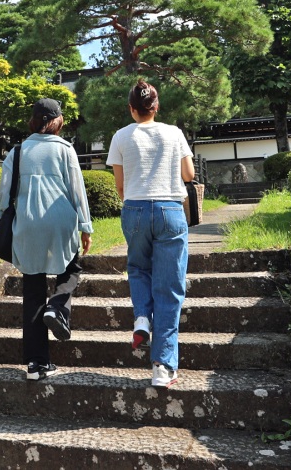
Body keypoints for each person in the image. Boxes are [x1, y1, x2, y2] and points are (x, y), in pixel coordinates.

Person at [0, 98, 93, 381]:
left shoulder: (18, 151)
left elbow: (4, 194)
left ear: (35, 121)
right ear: (56, 121)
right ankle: (58, 307)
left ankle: (37, 364)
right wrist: (85, 226)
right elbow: (77, 189)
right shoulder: (65, 149)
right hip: (60, 219)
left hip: (27, 223)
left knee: (33, 286)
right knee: (71, 268)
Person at [106, 80, 195, 388]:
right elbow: (189, 175)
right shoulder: (174, 133)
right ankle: (163, 366)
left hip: (134, 210)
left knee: (138, 269)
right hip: (170, 209)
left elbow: (119, 185)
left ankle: (142, 316)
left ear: (132, 109)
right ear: (156, 107)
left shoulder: (120, 136)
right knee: (169, 287)